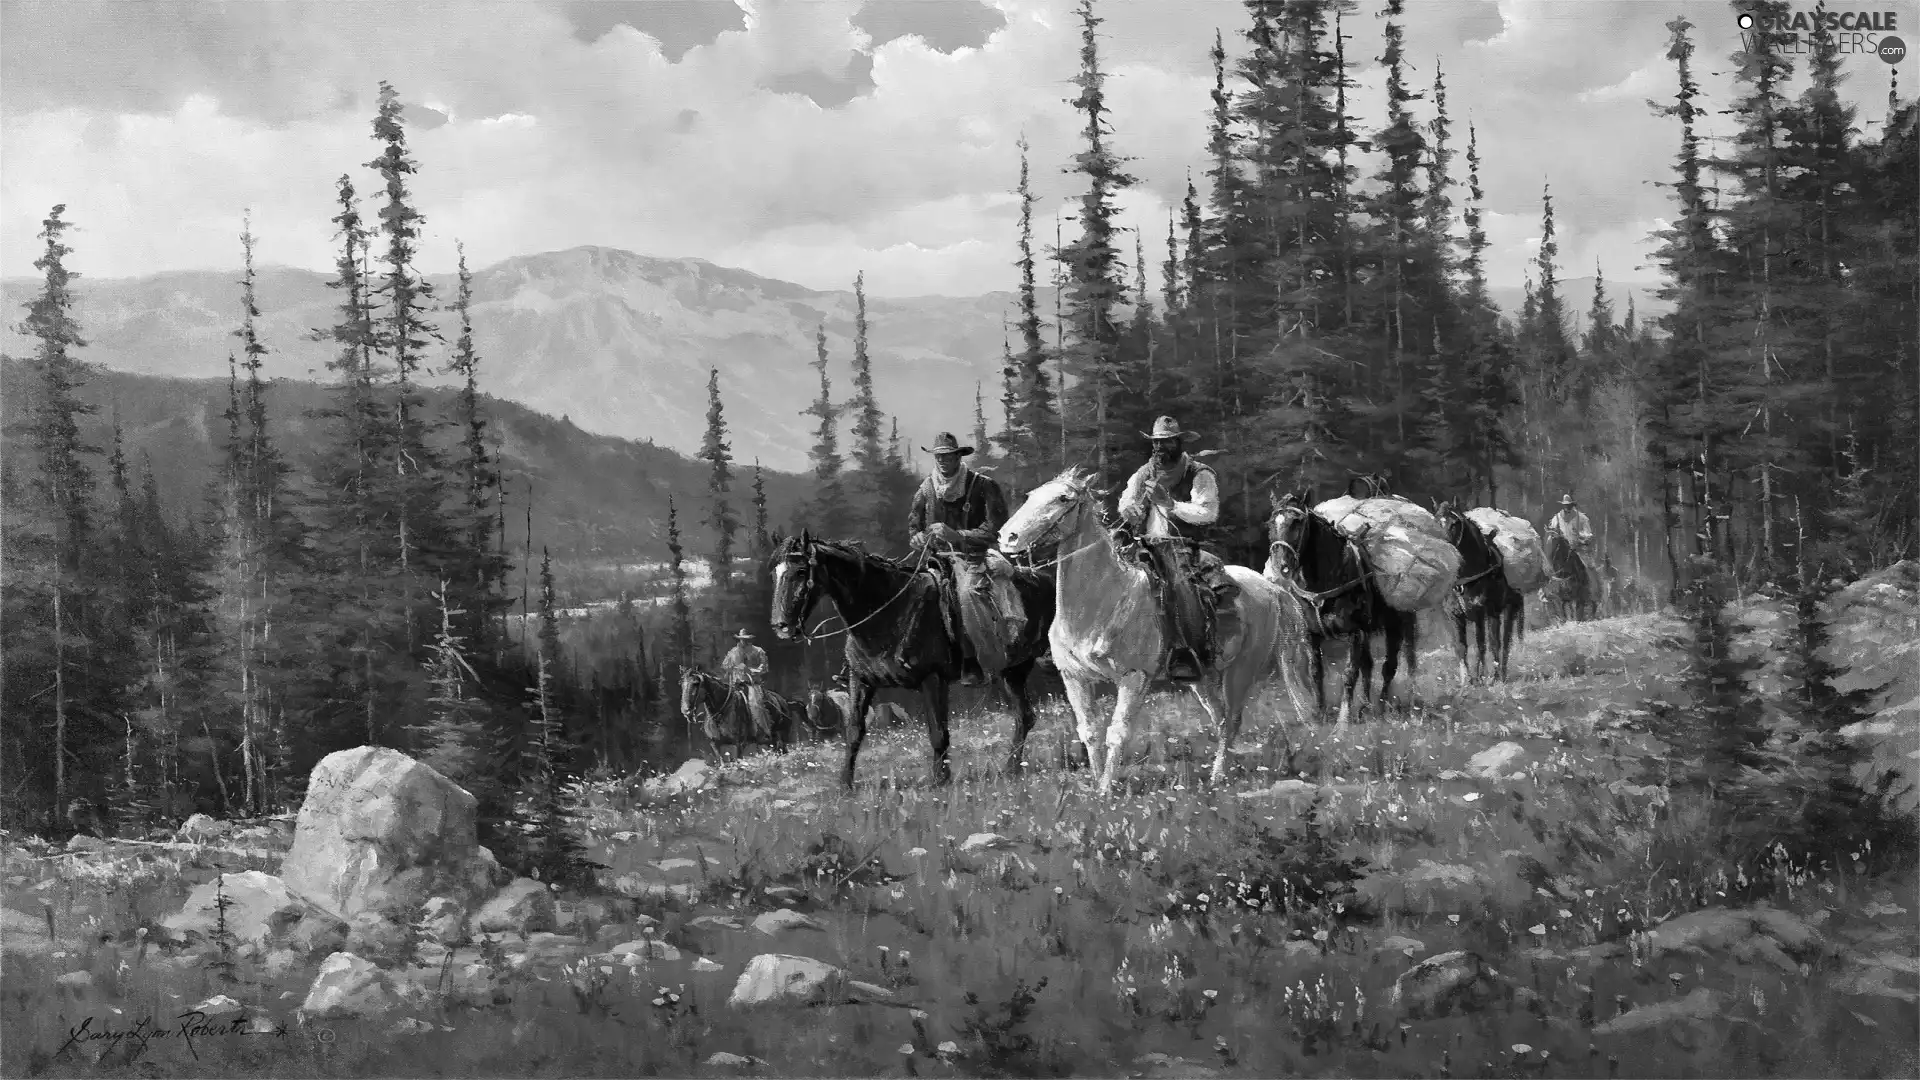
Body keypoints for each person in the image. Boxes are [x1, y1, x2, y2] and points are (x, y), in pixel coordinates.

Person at [1117, 416, 1239, 681]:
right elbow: (1126, 502)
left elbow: (1208, 512)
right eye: (1156, 442)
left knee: (1180, 584)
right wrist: (1131, 509)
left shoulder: (1199, 473)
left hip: (1182, 546)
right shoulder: (1143, 473)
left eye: (1166, 442)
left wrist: (1171, 504)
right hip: (1145, 545)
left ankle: (1188, 651)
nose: (1160, 448)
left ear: (1178, 442)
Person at [907, 432, 1022, 685]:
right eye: (938, 456)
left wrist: (958, 535)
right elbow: (914, 524)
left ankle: (976, 659)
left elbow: (995, 528)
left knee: (968, 594)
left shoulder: (982, 485)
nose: (942, 461)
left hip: (974, 556)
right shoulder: (926, 488)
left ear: (959, 456)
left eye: (948, 456)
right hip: (937, 559)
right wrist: (916, 538)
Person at [720, 629, 772, 739]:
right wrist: (735, 667)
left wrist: (753, 670)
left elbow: (764, 667)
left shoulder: (758, 651)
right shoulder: (733, 652)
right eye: (741, 639)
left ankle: (763, 729)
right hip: (736, 684)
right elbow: (725, 665)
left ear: (749, 640)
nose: (743, 641)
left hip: (752, 684)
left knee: (756, 704)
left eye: (745, 639)